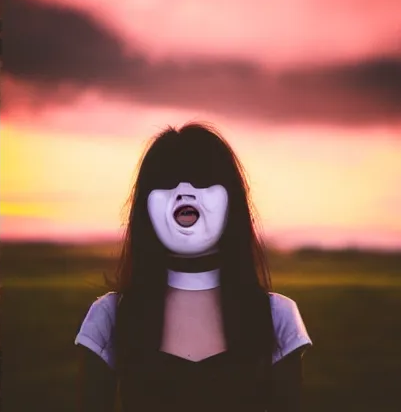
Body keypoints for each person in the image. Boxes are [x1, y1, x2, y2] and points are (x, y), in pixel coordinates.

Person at [75, 124, 309, 412]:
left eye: (202, 180)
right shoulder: (109, 317)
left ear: (232, 200)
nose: (184, 192)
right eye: (167, 182)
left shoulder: (278, 317)